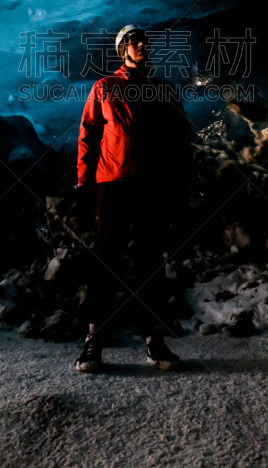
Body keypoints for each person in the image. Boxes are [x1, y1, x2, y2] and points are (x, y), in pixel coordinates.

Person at [74, 24, 191, 373]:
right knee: (105, 259)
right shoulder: (105, 88)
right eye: (133, 41)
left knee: (150, 260)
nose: (141, 44)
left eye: (144, 40)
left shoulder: (165, 90)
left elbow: (180, 143)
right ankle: (94, 341)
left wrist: (180, 187)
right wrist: (84, 185)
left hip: (151, 186)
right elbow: (88, 136)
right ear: (122, 49)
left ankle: (155, 340)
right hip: (112, 183)